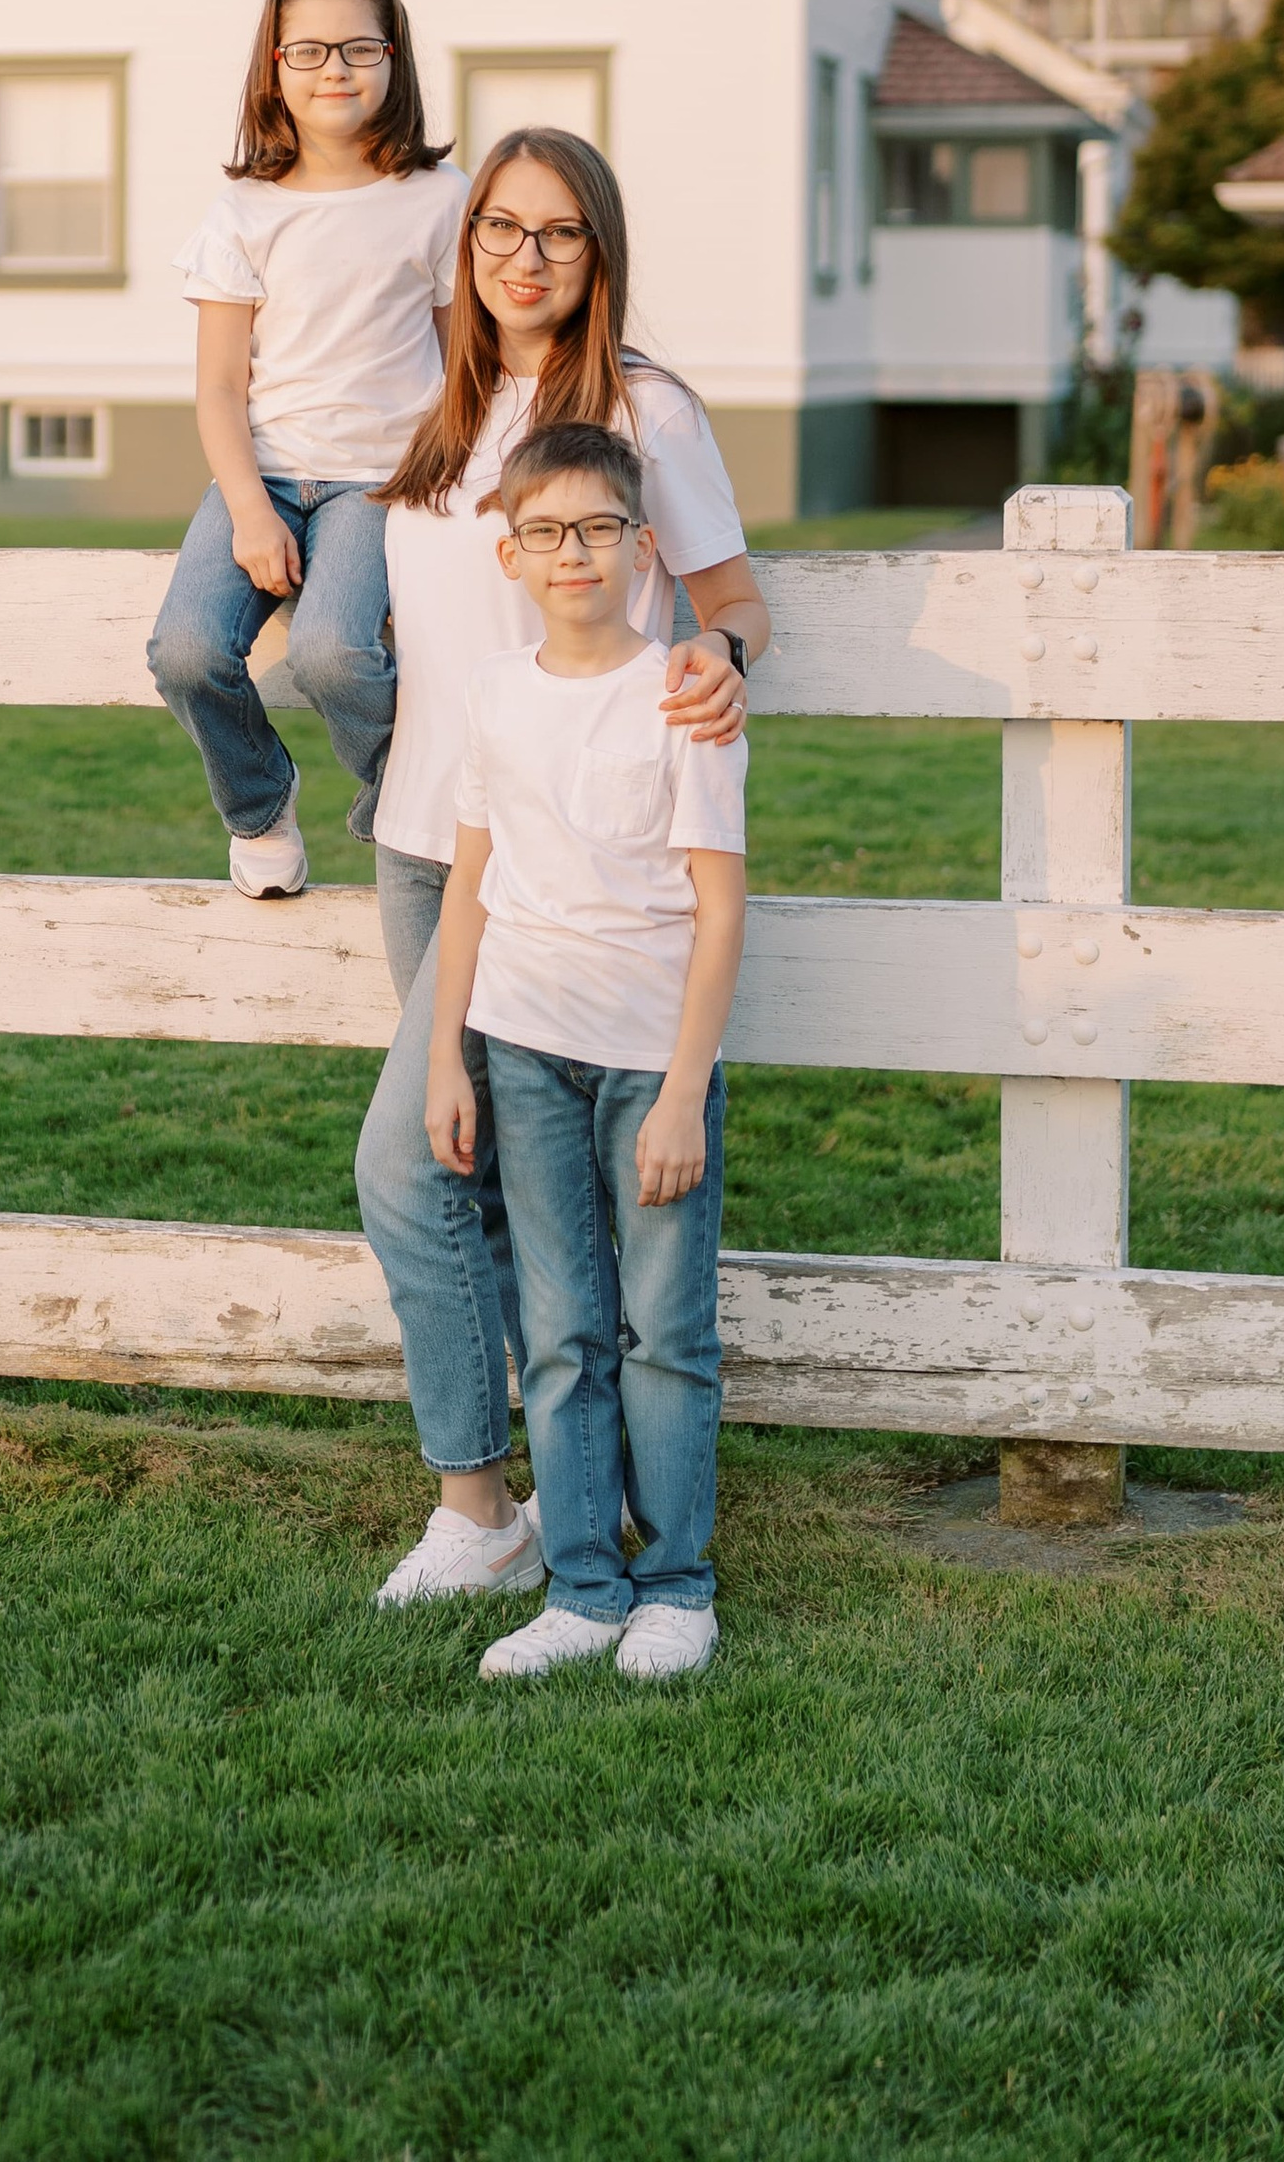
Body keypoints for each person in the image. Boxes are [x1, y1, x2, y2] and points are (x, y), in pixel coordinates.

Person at [355, 128, 765, 1607]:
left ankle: (482, 1505)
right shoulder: (432, 400)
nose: (524, 259)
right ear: (465, 240)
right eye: (499, 228)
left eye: (560, 233)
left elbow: (732, 599)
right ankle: (558, 1504)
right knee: (470, 1170)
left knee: (400, 1171)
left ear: (599, 254)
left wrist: (718, 659)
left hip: (561, 870)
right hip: (425, 839)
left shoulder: (644, 411)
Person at [425, 417, 746, 1683]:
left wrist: (681, 1094)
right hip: (524, 1053)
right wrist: (446, 1058)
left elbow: (719, 910)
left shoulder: (683, 698)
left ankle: (675, 1589)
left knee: (663, 1332)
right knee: (559, 1335)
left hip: (651, 1065)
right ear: (509, 554)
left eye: (599, 529)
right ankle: (581, 1587)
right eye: (546, 532)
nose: (574, 552)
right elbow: (469, 887)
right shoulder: (493, 696)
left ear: (642, 549)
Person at [148, 0, 465, 897]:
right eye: (311, 50)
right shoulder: (243, 212)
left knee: (332, 655)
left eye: (361, 47)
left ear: (394, 58)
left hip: (381, 482)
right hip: (264, 474)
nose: (337, 69)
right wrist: (250, 510)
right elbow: (218, 388)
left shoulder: (440, 197)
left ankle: (403, 793)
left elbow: (464, 366)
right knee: (186, 653)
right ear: (275, 66)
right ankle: (259, 803)